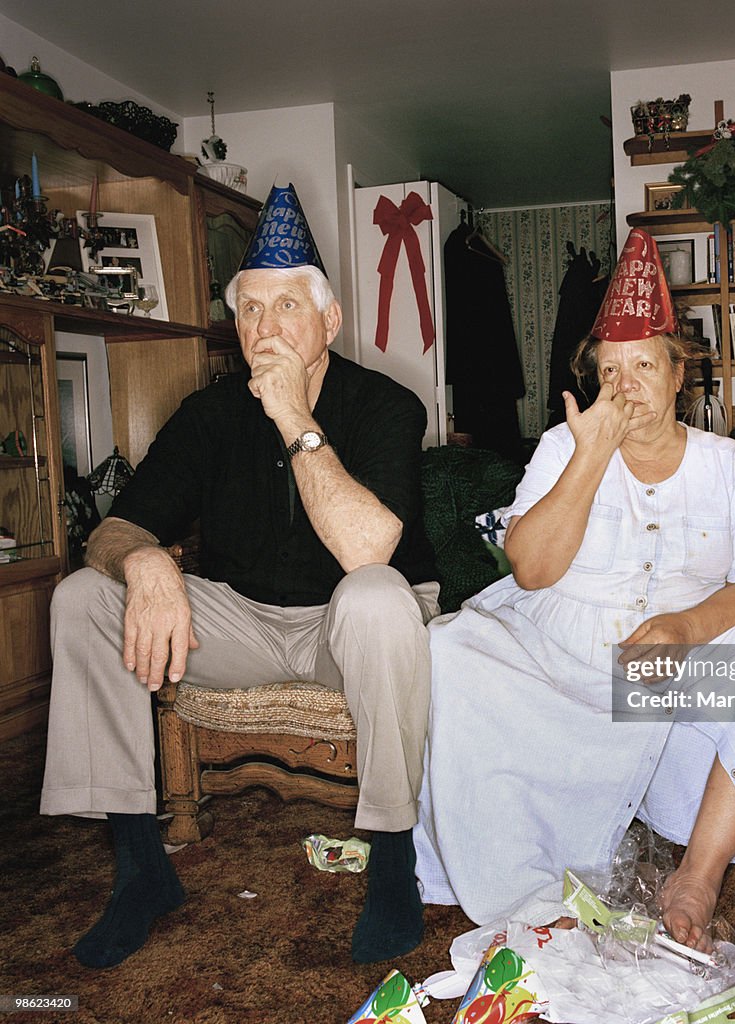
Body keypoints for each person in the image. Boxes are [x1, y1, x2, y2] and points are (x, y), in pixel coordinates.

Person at [414, 229, 735, 948]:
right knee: (451, 645)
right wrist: (590, 453)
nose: (627, 382)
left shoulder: (725, 463)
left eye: (644, 364)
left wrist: (686, 630)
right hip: (561, 646)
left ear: (678, 375)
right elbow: (532, 570)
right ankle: (514, 866)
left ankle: (697, 876)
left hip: (677, 650)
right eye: (611, 369)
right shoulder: (561, 446)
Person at [40, 184, 439, 967]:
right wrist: (143, 558)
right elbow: (114, 527)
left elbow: (368, 550)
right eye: (250, 309)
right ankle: (141, 870)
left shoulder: (386, 405)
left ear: (329, 322)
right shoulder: (210, 413)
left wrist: (294, 416)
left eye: (288, 306)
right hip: (245, 623)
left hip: (350, 625)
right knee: (86, 594)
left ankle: (394, 861)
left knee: (376, 598)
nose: (265, 328)